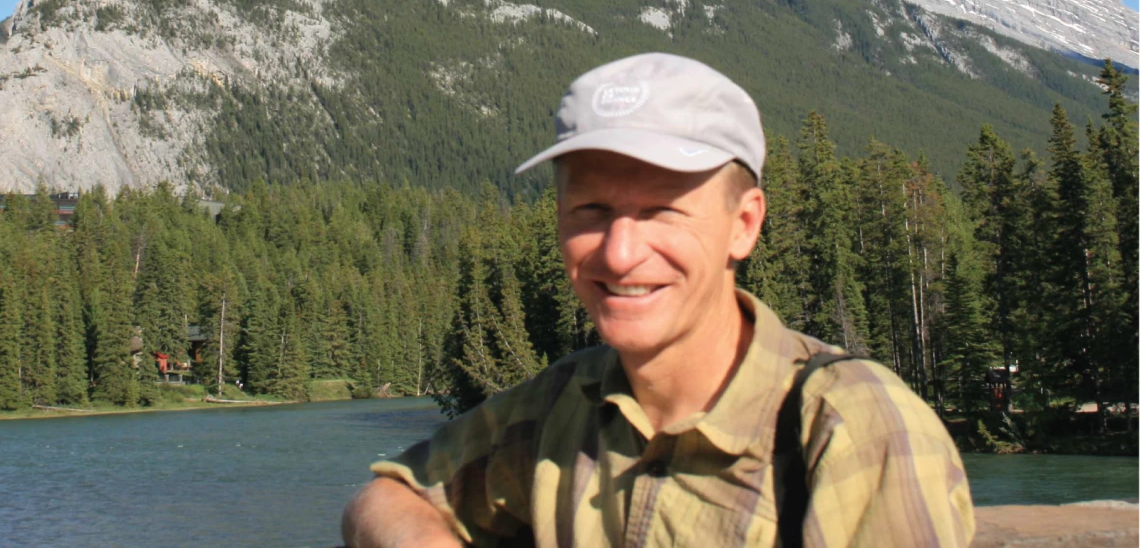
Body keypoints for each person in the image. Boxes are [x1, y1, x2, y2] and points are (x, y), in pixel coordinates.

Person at [342, 53, 975, 548]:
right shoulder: (564, 404)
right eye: (591, 210)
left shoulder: (849, 427)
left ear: (744, 224)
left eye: (663, 213)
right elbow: (388, 500)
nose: (619, 253)